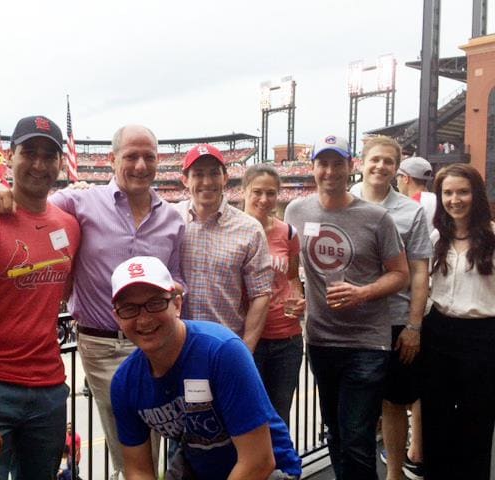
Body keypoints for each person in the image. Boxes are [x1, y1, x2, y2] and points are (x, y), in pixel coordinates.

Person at [0, 125, 185, 479]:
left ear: (159, 161)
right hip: (104, 345)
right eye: (130, 157)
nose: (140, 165)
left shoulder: (172, 218)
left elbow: (177, 277)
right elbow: (29, 202)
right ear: (111, 160)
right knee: (132, 448)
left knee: (157, 440)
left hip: (158, 344)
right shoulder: (79, 202)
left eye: (148, 157)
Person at [0, 115, 81, 479]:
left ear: (59, 162)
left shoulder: (68, 224)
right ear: (10, 157)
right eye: (29, 152)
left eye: (49, 155)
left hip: (50, 387)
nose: (39, 164)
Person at [109, 256, 302, 480]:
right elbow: (138, 470)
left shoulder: (222, 352)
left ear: (178, 304)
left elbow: (258, 462)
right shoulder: (125, 383)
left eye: (155, 303)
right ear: (117, 318)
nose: (143, 320)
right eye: (129, 309)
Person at [284, 135, 409, 480]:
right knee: (336, 432)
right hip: (322, 339)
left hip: (367, 342)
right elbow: (294, 264)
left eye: (337, 164)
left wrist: (363, 292)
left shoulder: (376, 217)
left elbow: (401, 274)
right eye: (323, 164)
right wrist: (297, 294)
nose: (329, 171)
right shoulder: (297, 210)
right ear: (313, 169)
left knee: (356, 436)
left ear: (350, 167)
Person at [350, 136, 432, 480]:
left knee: (395, 404)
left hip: (396, 320)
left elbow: (419, 272)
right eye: (375, 160)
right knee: (358, 408)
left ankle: (395, 473)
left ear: (397, 168)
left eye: (388, 161)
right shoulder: (344, 200)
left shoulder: (410, 211)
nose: (380, 166)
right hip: (353, 322)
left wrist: (414, 327)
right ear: (362, 162)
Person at [421, 163, 495, 480]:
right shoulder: (437, 236)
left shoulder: (492, 237)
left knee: (476, 421)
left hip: (483, 336)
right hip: (439, 332)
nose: (455, 199)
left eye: (462, 192)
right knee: (436, 419)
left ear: (476, 195)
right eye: (448, 193)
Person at [175, 144, 272, 351]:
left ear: (225, 177)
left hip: (225, 344)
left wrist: (246, 348)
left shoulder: (249, 228)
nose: (207, 182)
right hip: (176, 344)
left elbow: (261, 294)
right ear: (185, 180)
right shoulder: (170, 219)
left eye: (214, 173)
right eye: (198, 174)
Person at [242, 164, 303, 426]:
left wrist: (299, 300)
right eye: (257, 192)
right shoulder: (233, 229)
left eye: (271, 193)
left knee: (280, 416)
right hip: (247, 339)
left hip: (286, 338)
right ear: (243, 191)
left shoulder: (287, 233)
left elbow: (291, 277)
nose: (264, 200)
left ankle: (279, 467)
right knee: (249, 415)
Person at [395, 156, 436, 234]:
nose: (397, 185)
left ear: (405, 178)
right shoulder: (437, 199)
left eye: (397, 179)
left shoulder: (411, 205)